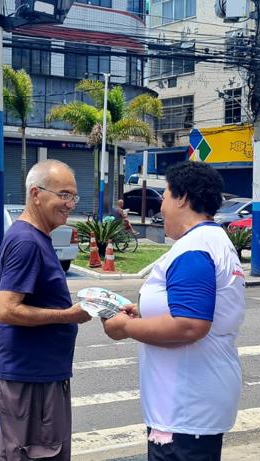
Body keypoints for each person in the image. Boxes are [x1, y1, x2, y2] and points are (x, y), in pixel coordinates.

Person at [101, 161, 246, 461]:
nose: (162, 206)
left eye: (165, 196)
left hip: (184, 409)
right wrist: (144, 319)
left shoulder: (194, 249)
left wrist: (125, 328)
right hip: (192, 405)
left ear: (182, 198)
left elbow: (190, 325)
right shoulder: (213, 241)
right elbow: (190, 311)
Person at [0, 160, 92, 461]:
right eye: (63, 195)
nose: (69, 204)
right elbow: (6, 310)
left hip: (41, 376)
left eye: (73, 197)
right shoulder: (27, 241)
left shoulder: (37, 237)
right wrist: (68, 316)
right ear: (36, 194)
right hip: (30, 381)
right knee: (37, 454)